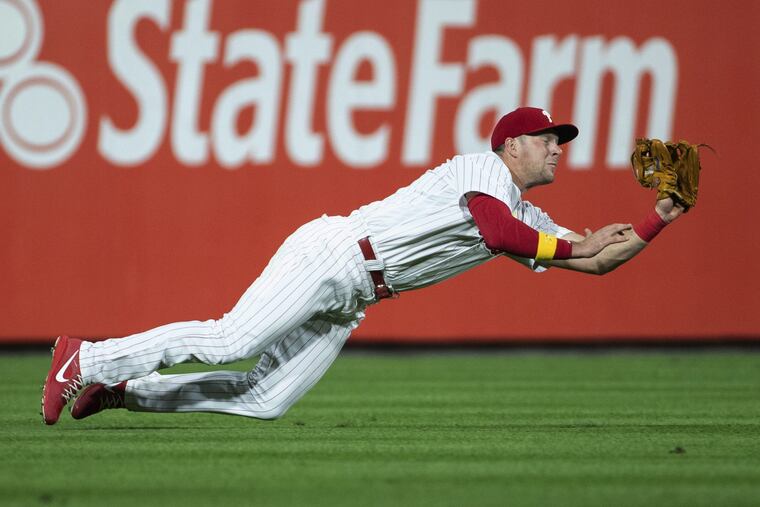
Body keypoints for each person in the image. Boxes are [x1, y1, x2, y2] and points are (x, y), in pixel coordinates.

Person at [41, 107, 683, 425]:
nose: (556, 151)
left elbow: (599, 263)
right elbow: (498, 232)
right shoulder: (482, 170)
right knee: (231, 338)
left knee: (266, 399)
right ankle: (85, 357)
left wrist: (661, 215)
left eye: (559, 143)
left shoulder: (531, 218)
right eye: (548, 140)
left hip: (352, 298)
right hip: (335, 254)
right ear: (512, 144)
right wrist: (578, 244)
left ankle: (118, 391)